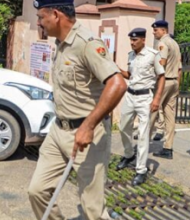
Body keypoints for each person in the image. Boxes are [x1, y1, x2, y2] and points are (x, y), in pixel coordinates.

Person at [28, 0, 127, 219]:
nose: (39, 23)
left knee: (92, 209)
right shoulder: (60, 43)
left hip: (86, 132)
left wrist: (89, 125)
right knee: (37, 191)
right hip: (58, 129)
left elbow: (118, 84)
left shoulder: (86, 43)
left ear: (55, 15)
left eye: (41, 18)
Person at [116, 28, 165, 185]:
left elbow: (161, 76)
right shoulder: (131, 55)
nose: (132, 42)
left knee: (143, 135)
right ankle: (129, 154)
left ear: (143, 40)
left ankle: (141, 170)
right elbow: (131, 75)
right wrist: (117, 70)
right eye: (131, 40)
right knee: (123, 127)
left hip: (145, 97)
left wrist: (157, 98)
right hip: (130, 95)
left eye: (135, 40)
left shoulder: (152, 55)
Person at [149, 20, 182, 159]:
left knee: (152, 111)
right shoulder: (175, 44)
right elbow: (180, 67)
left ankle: (143, 143)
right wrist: (178, 84)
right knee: (170, 115)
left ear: (163, 30)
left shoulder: (162, 43)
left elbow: (161, 64)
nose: (154, 32)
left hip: (165, 81)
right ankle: (168, 148)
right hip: (174, 80)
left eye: (156, 30)